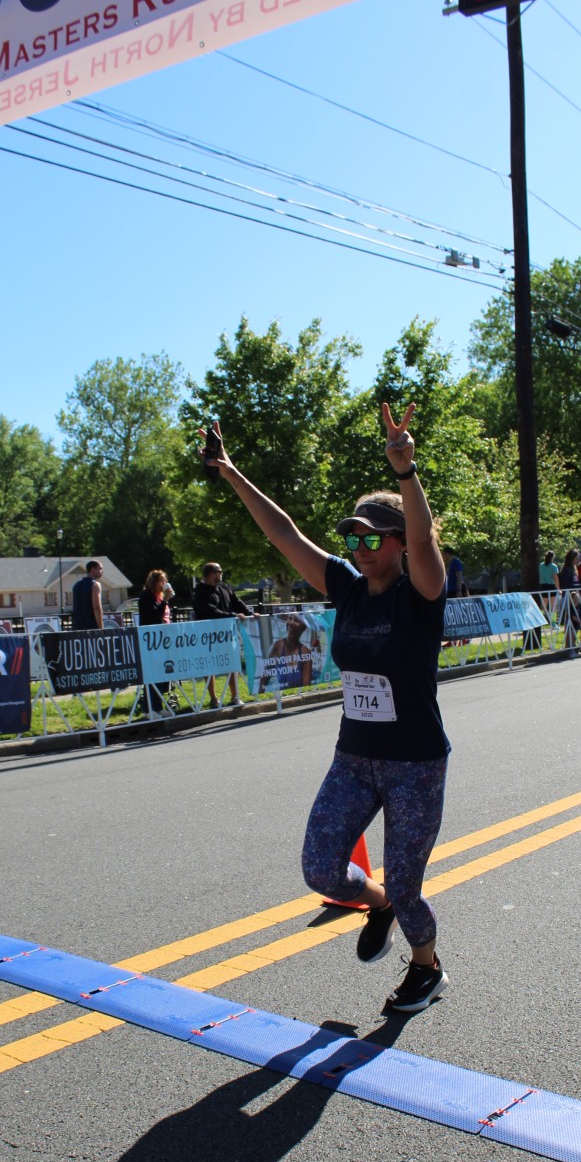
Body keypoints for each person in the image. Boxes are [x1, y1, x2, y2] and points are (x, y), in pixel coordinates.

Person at [200, 403, 450, 1014]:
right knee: (321, 869)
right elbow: (284, 533)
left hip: (414, 764)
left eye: (373, 538)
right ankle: (378, 904)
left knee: (410, 886)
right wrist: (230, 472)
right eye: (353, 539)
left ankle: (426, 967)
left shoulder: (421, 594)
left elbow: (423, 541)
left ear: (398, 542)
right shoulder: (345, 586)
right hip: (354, 758)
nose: (360, 548)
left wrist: (406, 472)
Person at [191, 562, 251, 709]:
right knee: (209, 665)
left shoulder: (225, 587)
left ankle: (235, 696)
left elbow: (237, 602)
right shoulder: (200, 592)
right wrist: (232, 615)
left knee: (232, 663)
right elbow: (209, 611)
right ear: (210, 574)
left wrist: (250, 613)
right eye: (219, 571)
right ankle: (214, 698)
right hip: (208, 635)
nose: (221, 574)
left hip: (227, 633)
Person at [137, 569, 174, 713]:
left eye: (165, 580)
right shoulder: (146, 596)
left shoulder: (159, 598)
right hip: (151, 640)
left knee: (161, 673)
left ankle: (158, 706)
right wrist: (165, 600)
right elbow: (153, 616)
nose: (164, 583)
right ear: (154, 582)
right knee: (152, 674)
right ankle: (149, 709)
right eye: (161, 581)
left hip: (162, 639)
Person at [260, 613, 313, 693]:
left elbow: (306, 687)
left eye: (296, 620)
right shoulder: (277, 647)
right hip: (282, 696)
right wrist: (258, 697)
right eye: (290, 618)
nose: (290, 623)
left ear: (303, 628)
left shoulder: (305, 652)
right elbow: (264, 679)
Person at [71, 560, 104, 631]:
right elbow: (97, 608)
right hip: (92, 628)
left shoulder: (76, 585)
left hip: (77, 628)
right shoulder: (95, 584)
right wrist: (101, 628)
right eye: (100, 569)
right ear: (93, 569)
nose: (102, 571)